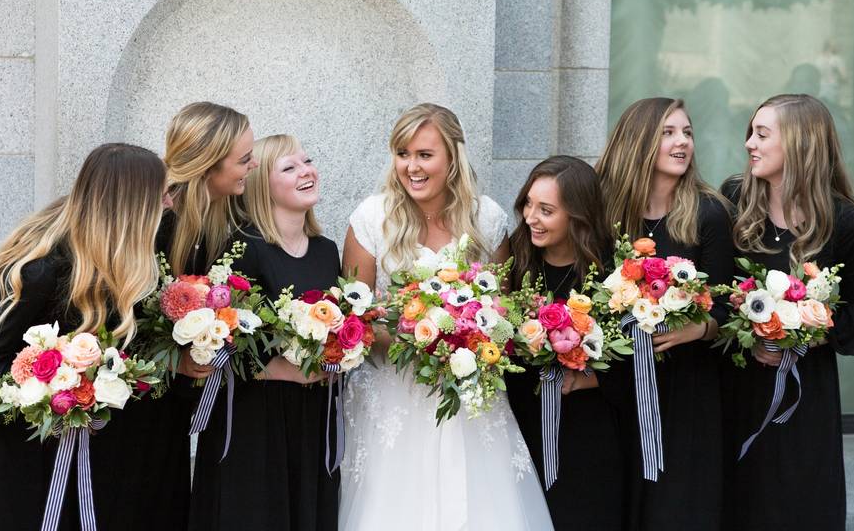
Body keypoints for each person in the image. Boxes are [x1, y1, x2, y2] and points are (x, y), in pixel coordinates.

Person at [338, 103, 553, 530]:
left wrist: (465, 341)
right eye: (403, 154)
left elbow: (500, 314)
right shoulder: (371, 218)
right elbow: (356, 320)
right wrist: (417, 343)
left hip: (470, 394)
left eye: (424, 155)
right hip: (393, 392)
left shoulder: (486, 219)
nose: (411, 167)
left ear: (452, 157)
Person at [0, 143, 167, 530]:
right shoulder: (43, 271)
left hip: (51, 452)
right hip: (3, 459)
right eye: (161, 194)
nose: (168, 203)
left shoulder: (108, 266)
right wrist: (59, 390)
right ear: (133, 207)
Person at [720, 94, 854, 531]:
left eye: (762, 134)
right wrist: (749, 331)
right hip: (735, 385)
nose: (750, 143)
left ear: (800, 143)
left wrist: (800, 330)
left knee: (799, 501)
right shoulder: (734, 199)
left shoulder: (845, 223)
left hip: (805, 395)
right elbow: (713, 290)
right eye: (750, 133)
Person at [595, 97, 734, 531]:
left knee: (678, 504)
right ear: (639, 143)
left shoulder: (709, 214)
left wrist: (702, 327)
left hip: (686, 389)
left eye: (687, 133)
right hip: (619, 380)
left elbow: (729, 305)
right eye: (669, 133)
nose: (682, 142)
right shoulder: (608, 213)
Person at [189, 134, 336, 530]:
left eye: (307, 161)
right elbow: (217, 345)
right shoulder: (244, 248)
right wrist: (283, 370)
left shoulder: (327, 250)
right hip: (255, 418)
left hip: (313, 417)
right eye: (289, 167)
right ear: (261, 186)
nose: (306, 171)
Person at [122, 100, 257, 529]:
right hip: (133, 401)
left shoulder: (228, 219)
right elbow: (127, 315)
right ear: (210, 164)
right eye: (244, 159)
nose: (251, 167)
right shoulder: (154, 221)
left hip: (175, 403)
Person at [505, 156, 627, 529]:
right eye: (528, 203)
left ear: (577, 215)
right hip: (525, 422)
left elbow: (640, 360)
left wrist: (591, 378)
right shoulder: (515, 261)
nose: (531, 217)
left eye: (546, 210)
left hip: (589, 430)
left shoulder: (612, 274)